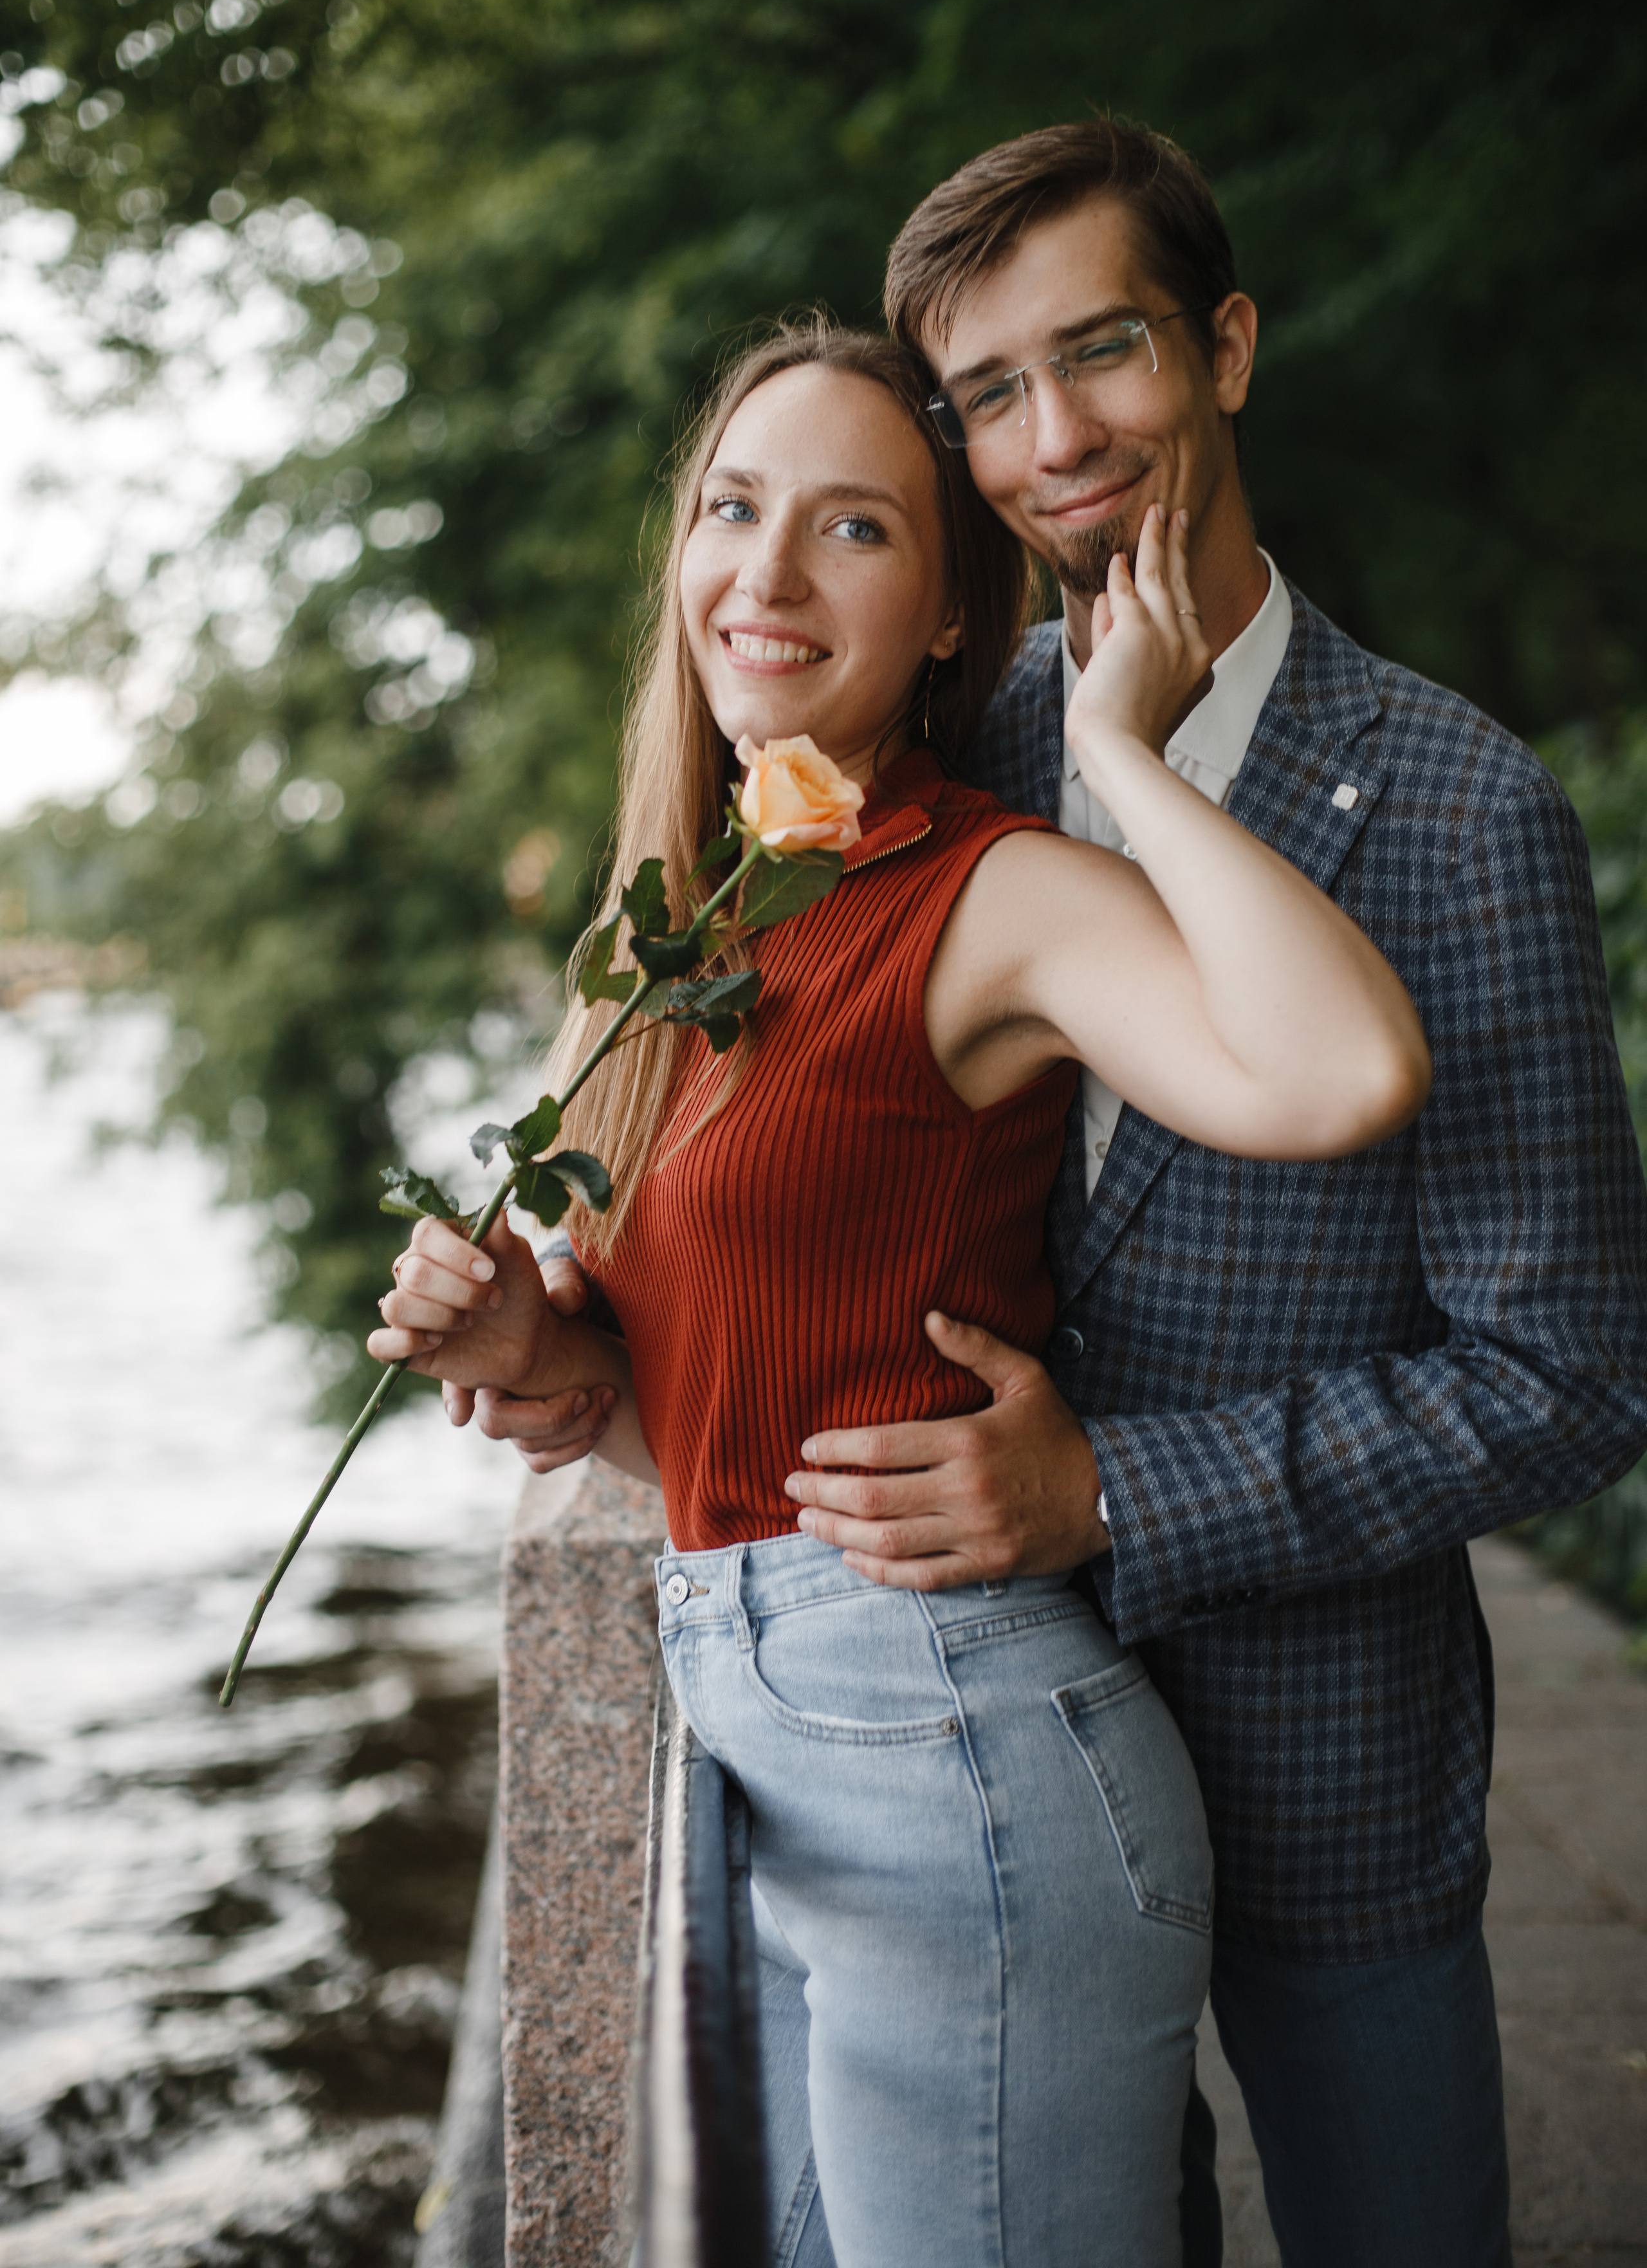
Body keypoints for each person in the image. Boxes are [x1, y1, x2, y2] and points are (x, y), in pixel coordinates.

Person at [369, 318, 1430, 2265]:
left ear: (951, 616)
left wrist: (1119, 751)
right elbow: (701, 1433)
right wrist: (537, 1346)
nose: (768, 572)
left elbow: (1345, 1071)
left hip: (957, 1775)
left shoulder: (983, 894)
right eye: (733, 508)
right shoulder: (654, 945)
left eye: (853, 528)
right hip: (768, 1766)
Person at [764, 122, 1646, 2265]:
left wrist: (1113, 1495)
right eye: (988, 393)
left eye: (1105, 352)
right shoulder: (935, 765)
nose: (1055, 438)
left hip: (1334, 1767)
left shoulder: (1460, 811)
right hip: (996, 1761)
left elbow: (1573, 1374)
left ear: (1226, 348)